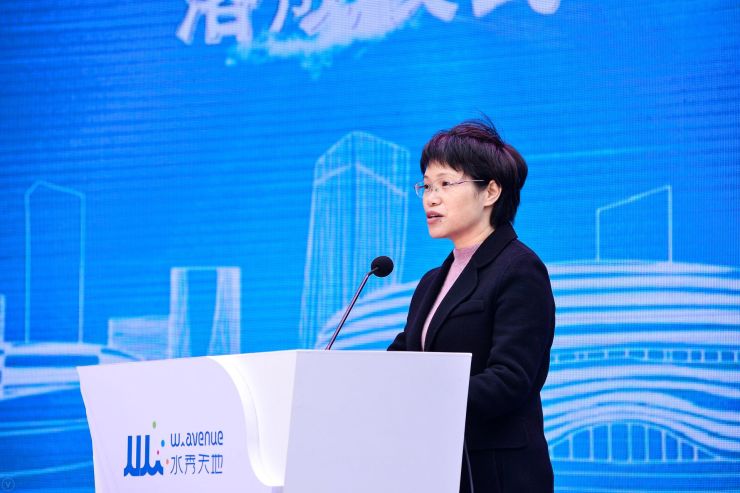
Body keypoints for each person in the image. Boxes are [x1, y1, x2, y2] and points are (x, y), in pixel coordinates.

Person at [388, 118, 555, 493]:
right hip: (434, 468)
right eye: (426, 186)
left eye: (445, 184)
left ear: (490, 191)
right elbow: (403, 357)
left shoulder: (519, 268)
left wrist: (425, 400)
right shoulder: (432, 282)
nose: (431, 198)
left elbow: (510, 379)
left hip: (496, 473)